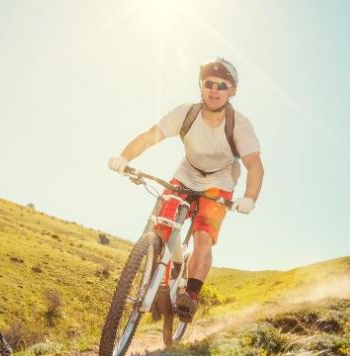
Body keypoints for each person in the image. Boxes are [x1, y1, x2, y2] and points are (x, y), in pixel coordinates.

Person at [108, 57, 264, 322]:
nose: (214, 90)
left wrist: (249, 198)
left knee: (203, 235)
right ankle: (161, 277)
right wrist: (124, 158)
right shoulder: (186, 113)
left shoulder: (240, 125)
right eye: (209, 84)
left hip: (220, 182)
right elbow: (151, 135)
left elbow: (255, 165)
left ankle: (190, 295)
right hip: (186, 174)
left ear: (232, 91)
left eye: (222, 85)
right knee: (162, 223)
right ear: (201, 86)